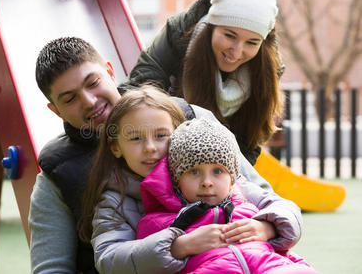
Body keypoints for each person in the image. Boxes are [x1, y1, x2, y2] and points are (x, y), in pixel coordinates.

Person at [29, 37, 279, 273]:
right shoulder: (58, 172)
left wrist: (267, 227)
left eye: (93, 83)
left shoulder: (192, 119)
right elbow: (52, 267)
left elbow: (260, 196)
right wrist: (179, 245)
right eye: (70, 98)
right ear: (56, 111)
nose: (89, 101)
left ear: (109, 71)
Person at [79, 86, 303, 274]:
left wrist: (267, 227)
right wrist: (178, 246)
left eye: (160, 135)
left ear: (178, 134)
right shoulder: (115, 200)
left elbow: (281, 206)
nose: (150, 148)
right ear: (116, 146)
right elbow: (108, 258)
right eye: (136, 138)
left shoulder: (215, 175)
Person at [123, 0, 284, 165]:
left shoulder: (267, 68)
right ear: (212, 26)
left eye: (252, 42)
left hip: (219, 168)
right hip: (162, 149)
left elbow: (250, 139)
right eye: (229, 35)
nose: (237, 51)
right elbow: (140, 92)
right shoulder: (179, 32)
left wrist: (228, 180)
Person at [137, 118, 317, 273]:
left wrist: (267, 228)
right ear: (177, 180)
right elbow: (148, 260)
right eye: (194, 172)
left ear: (232, 180)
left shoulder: (249, 210)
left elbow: (285, 255)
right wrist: (181, 246)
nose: (207, 182)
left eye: (217, 171)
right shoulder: (161, 222)